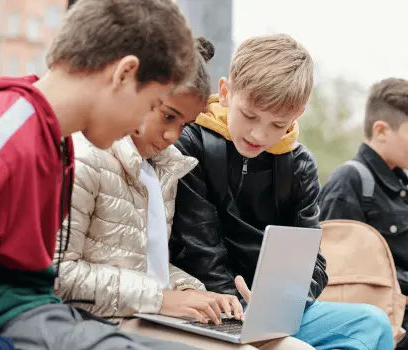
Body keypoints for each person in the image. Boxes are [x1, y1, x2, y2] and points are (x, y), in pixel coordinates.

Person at [0, 0, 201, 349]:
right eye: (151, 105)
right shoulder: (3, 132)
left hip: (30, 314)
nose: (139, 125)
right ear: (123, 73)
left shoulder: (55, 142)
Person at [54, 37, 311, 350]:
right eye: (167, 116)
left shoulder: (163, 167)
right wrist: (161, 298)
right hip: (108, 320)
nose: (173, 136)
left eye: (185, 124)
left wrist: (199, 294)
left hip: (156, 314)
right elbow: (58, 274)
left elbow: (153, 266)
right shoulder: (84, 157)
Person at [169, 34, 395, 350]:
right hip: (210, 303)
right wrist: (238, 306)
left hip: (272, 311)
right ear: (225, 91)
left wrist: (283, 303)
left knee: (373, 324)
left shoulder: (299, 164)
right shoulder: (190, 144)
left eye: (278, 124)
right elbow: (198, 248)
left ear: (298, 114)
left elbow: (313, 262)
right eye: (249, 115)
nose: (260, 134)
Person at [319, 78, 408, 349]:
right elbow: (337, 272)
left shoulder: (401, 183)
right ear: (381, 130)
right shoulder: (351, 180)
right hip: (383, 327)